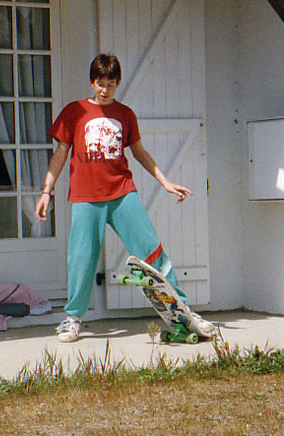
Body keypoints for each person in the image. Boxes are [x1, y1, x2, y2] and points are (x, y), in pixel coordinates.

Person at [35, 53, 215, 342]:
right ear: (91, 82)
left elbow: (139, 152)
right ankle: (72, 318)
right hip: (85, 196)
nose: (104, 90)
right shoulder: (74, 111)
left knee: (151, 248)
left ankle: (183, 309)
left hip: (122, 193)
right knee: (81, 257)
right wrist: (46, 191)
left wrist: (165, 181)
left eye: (110, 84)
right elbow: (60, 153)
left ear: (118, 83)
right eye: (99, 83)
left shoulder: (125, 114)